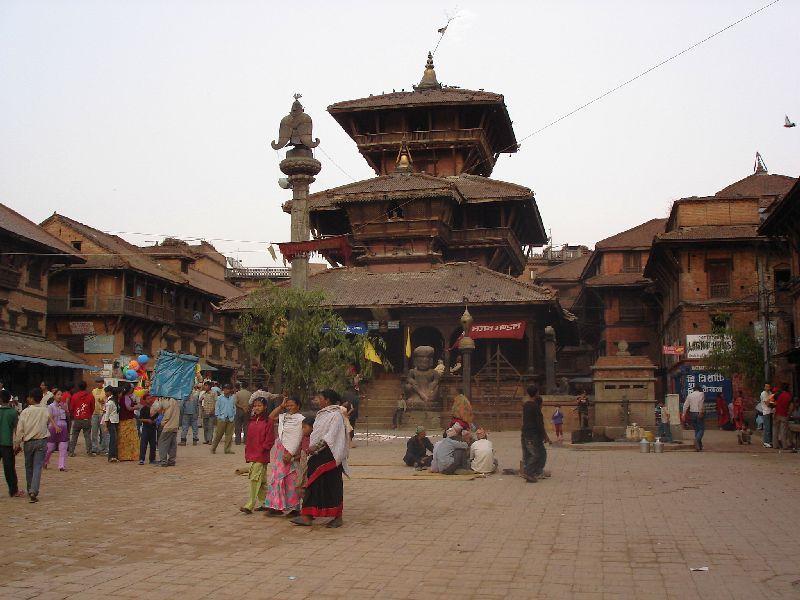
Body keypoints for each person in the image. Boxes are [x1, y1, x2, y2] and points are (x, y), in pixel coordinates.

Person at [291, 389, 349, 528]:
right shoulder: (322, 414)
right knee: (313, 483)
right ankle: (308, 514)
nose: (317, 400)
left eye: (320, 398)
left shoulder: (336, 415)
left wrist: (315, 447)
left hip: (330, 455)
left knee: (332, 486)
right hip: (318, 454)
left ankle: (337, 516)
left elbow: (331, 435)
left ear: (327, 400)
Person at [14, 388, 58, 502]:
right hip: (41, 441)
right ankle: (34, 490)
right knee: (37, 466)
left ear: (32, 399)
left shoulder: (25, 412)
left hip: (28, 442)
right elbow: (49, 421)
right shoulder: (44, 410)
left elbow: (20, 429)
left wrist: (17, 443)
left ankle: (30, 489)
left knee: (29, 466)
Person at [264, 396, 305, 517]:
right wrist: (281, 406)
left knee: (291, 479)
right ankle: (277, 505)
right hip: (280, 451)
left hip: (291, 451)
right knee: (277, 477)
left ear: (298, 406)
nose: (289, 407)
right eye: (288, 405)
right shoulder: (284, 417)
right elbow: (271, 417)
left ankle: (295, 508)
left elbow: (299, 436)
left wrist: (292, 453)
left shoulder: (301, 419)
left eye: (292, 405)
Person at [240, 397, 276, 514]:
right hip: (252, 453)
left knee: (254, 478)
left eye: (259, 405)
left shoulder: (268, 421)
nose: (257, 408)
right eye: (255, 405)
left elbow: (270, 439)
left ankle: (250, 504)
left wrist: (263, 449)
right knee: (262, 481)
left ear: (265, 407)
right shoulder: (252, 420)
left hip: (261, 455)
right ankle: (267, 502)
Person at [521, 385, 549, 482]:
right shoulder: (535, 407)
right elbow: (539, 424)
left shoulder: (526, 405)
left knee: (529, 454)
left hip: (525, 432)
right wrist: (545, 436)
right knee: (536, 454)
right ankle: (528, 472)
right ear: (536, 393)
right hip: (532, 434)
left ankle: (536, 471)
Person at [0, 389, 23, 497]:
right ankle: (13, 490)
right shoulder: (13, 412)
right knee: (9, 468)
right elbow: (16, 430)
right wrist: (17, 444)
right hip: (7, 444)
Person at [151, 396, 180, 466]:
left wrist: (162, 423)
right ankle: (172, 460)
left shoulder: (169, 401)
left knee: (162, 443)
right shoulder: (174, 401)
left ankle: (163, 461)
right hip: (174, 425)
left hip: (168, 426)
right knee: (172, 444)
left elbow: (167, 415)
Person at [44, 391, 69, 471]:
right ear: (54, 396)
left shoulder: (64, 405)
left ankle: (62, 465)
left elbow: (68, 416)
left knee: (63, 447)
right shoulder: (50, 406)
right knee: (50, 448)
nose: (60, 396)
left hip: (63, 426)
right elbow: (50, 417)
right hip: (53, 427)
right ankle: (45, 461)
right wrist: (55, 426)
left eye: (61, 395)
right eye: (58, 394)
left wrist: (65, 409)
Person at [115, 384, 140, 461]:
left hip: (124, 420)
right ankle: (129, 455)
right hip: (128, 420)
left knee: (123, 438)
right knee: (129, 439)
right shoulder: (126, 398)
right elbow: (129, 408)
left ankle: (124, 455)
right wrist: (138, 406)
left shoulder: (124, 397)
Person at [212, 384, 236, 454]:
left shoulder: (232, 398)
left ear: (230, 390)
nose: (226, 390)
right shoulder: (220, 398)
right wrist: (219, 417)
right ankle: (213, 448)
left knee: (229, 435)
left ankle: (227, 449)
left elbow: (234, 407)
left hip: (230, 418)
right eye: (225, 389)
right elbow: (217, 408)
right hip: (222, 418)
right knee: (219, 434)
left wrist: (233, 415)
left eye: (228, 389)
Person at [683, 386, 707, 451]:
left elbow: (685, 405)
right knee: (701, 429)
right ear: (699, 389)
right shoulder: (701, 394)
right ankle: (697, 440)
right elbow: (700, 403)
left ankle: (699, 446)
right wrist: (700, 412)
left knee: (696, 429)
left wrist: (683, 414)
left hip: (692, 413)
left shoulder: (690, 395)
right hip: (698, 412)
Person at [138, 394, 158, 465]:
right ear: (145, 400)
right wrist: (147, 420)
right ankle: (141, 459)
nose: (150, 400)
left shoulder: (155, 408)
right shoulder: (144, 408)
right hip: (145, 428)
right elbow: (140, 418)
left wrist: (156, 420)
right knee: (143, 444)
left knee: (153, 444)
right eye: (148, 399)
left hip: (153, 428)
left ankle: (152, 459)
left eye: (150, 398)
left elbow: (158, 416)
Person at [773, 384, 792, 450]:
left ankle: (775, 445)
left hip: (777, 413)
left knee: (775, 430)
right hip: (784, 414)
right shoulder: (788, 396)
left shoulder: (778, 394)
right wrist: (789, 414)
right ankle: (784, 446)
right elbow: (790, 406)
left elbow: (773, 401)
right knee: (783, 431)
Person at [90, 378, 106, 455]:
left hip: (102, 413)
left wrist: (103, 402)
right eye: (97, 382)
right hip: (94, 413)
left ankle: (102, 448)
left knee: (103, 432)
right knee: (94, 431)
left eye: (100, 382)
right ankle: (94, 448)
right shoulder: (93, 391)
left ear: (103, 383)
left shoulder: (105, 391)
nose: (98, 384)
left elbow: (107, 402)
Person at [103, 386, 120, 462]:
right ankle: (111, 456)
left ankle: (114, 455)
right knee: (113, 439)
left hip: (115, 421)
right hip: (111, 422)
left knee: (114, 439)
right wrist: (106, 425)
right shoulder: (110, 402)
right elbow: (107, 415)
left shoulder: (114, 401)